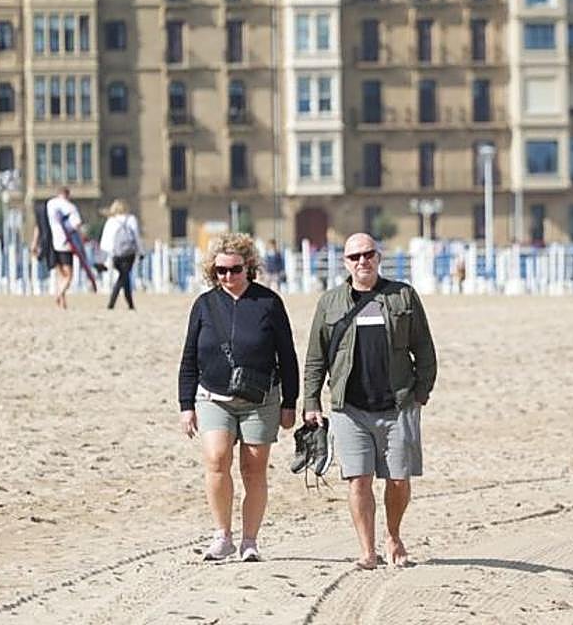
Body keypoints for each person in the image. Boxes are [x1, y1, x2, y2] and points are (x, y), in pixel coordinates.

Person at [303, 232, 437, 570]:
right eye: (354, 257)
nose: (362, 261)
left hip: (399, 403)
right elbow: (315, 357)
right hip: (349, 406)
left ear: (378, 257)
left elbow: (424, 348)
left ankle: (393, 535)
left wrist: (421, 392)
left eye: (368, 254)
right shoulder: (330, 302)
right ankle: (367, 550)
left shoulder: (402, 295)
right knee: (358, 478)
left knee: (398, 479)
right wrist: (311, 401)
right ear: (345, 263)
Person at [178, 232, 300, 562]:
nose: (228, 276)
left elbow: (287, 356)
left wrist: (291, 403)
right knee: (217, 459)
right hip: (213, 395)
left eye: (234, 269)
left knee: (254, 469)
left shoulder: (268, 303)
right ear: (212, 272)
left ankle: (250, 540)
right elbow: (189, 356)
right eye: (221, 271)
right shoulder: (204, 305)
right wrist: (186, 405)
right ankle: (222, 536)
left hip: (261, 398)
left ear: (249, 267)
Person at [99, 199, 142, 310]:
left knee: (124, 276)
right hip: (129, 253)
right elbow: (136, 236)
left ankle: (128, 304)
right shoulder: (131, 219)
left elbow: (105, 240)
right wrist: (140, 251)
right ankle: (115, 303)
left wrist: (103, 258)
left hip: (116, 254)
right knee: (124, 277)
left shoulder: (111, 221)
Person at [45, 187, 83, 310]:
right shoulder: (70, 207)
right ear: (68, 194)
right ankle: (59, 294)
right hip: (66, 243)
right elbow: (77, 224)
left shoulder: (50, 204)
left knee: (60, 274)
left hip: (52, 242)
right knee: (69, 275)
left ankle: (63, 303)